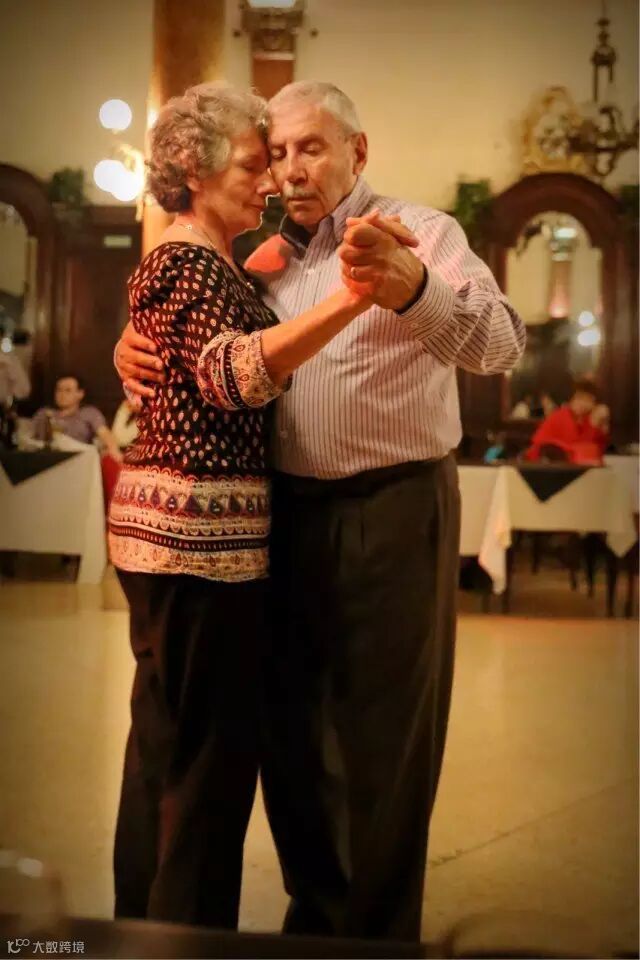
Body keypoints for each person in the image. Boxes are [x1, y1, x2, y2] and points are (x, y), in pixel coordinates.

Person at [115, 81, 525, 941]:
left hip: (393, 505)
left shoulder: (423, 232)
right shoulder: (261, 259)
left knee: (384, 745)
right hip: (281, 518)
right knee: (291, 741)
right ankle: (316, 926)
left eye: (310, 147)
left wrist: (414, 288)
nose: (287, 171)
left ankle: (374, 940)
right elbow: (211, 350)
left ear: (357, 151)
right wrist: (133, 344)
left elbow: (501, 343)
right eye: (273, 153)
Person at [106, 82, 411, 931]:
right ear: (193, 170)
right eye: (253, 163)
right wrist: (354, 298)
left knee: (169, 752)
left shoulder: (212, 261)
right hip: (192, 547)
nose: (272, 181)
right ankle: (184, 940)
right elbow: (232, 374)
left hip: (189, 545)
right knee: (204, 769)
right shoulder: (187, 259)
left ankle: (142, 929)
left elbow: (187, 355)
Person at [32, 374, 122, 462]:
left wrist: (114, 451)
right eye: (59, 390)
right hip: (46, 460)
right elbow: (30, 437)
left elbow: (105, 434)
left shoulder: (89, 413)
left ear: (80, 394)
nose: (62, 394)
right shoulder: (43, 413)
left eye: (68, 390)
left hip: (79, 460)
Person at [525, 379, 609, 464]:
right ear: (571, 399)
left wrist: (600, 426)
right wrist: (593, 425)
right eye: (580, 398)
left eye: (589, 400)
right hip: (540, 463)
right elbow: (579, 452)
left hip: (564, 465)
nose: (583, 403)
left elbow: (598, 452)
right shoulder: (562, 417)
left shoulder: (587, 419)